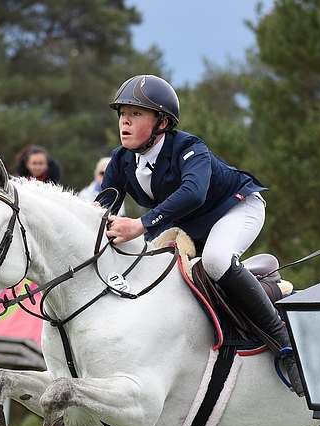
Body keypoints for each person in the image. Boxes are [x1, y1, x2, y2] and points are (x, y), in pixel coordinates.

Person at [99, 74, 303, 395]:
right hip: (190, 223)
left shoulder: (190, 148)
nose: (124, 121)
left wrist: (140, 225)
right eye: (122, 113)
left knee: (216, 260)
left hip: (236, 207)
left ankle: (287, 347)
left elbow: (193, 193)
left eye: (136, 114)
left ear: (162, 122)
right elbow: (103, 207)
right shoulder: (121, 160)